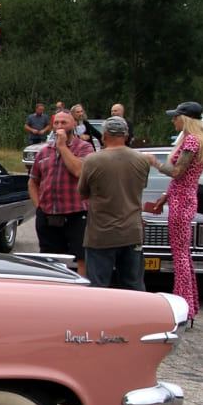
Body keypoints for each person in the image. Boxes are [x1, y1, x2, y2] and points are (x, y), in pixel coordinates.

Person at [145, 101, 203, 319]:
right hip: (182, 197)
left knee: (179, 255)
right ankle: (190, 303)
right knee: (183, 255)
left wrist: (155, 163)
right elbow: (182, 178)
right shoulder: (196, 140)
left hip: (182, 201)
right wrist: (165, 196)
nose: (173, 120)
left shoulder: (191, 140)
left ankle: (183, 304)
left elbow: (178, 172)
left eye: (176, 117)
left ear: (186, 119)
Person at [77, 116, 151, 290]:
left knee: (99, 287)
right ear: (126, 135)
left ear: (104, 135)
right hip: (132, 233)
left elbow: (83, 193)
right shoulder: (141, 160)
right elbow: (141, 187)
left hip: (101, 233)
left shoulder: (93, 160)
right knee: (134, 285)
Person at [27, 109, 91, 276]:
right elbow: (33, 181)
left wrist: (62, 147)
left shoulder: (85, 148)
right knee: (50, 260)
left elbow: (79, 171)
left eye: (64, 122)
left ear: (74, 124)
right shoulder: (44, 151)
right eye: (56, 123)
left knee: (82, 257)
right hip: (48, 214)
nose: (59, 126)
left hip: (76, 213)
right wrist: (38, 207)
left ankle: (81, 295)